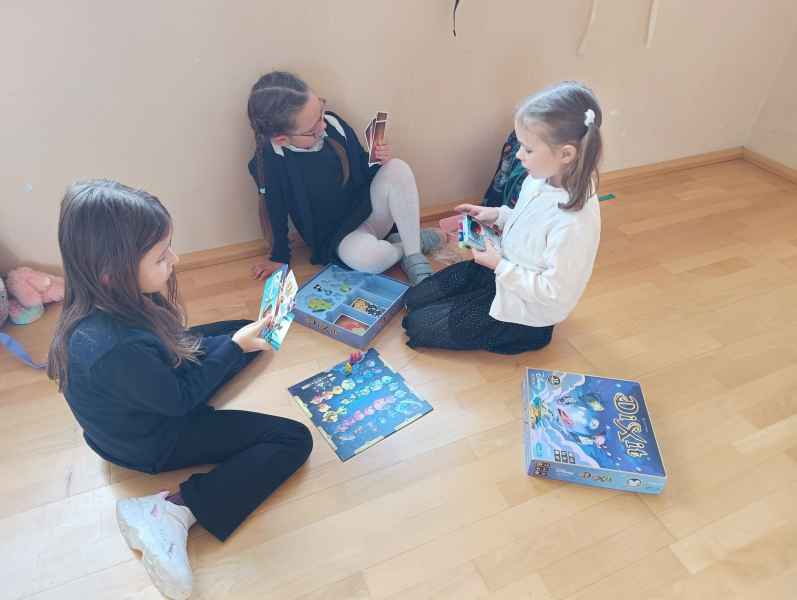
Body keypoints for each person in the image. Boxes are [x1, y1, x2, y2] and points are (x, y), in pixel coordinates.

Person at [47, 180, 313, 599]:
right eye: (161, 256)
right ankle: (173, 509)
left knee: (237, 331)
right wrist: (233, 349)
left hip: (139, 400)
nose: (175, 259)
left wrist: (233, 344)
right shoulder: (114, 349)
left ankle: (239, 342)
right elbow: (180, 400)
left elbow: (165, 359)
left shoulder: (104, 298)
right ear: (111, 272)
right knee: (293, 438)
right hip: (151, 441)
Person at [402, 82, 603, 354]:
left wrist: (498, 265)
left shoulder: (574, 222)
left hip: (523, 309)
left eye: (528, 149)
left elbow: (553, 291)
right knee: (413, 299)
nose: (518, 155)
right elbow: (526, 219)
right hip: (501, 270)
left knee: (415, 326)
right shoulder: (540, 177)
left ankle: (529, 336)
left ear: (566, 154)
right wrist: (496, 215)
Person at [246, 71, 443, 285]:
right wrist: (279, 257)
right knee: (371, 260)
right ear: (282, 139)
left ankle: (414, 255)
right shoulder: (271, 160)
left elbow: (363, 171)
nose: (323, 126)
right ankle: (410, 242)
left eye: (321, 112)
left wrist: (378, 160)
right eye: (312, 129)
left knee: (398, 167)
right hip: (340, 238)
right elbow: (275, 209)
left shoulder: (334, 124)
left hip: (368, 211)